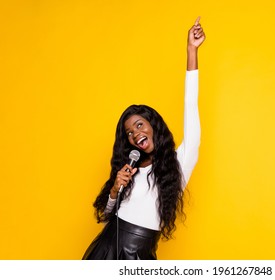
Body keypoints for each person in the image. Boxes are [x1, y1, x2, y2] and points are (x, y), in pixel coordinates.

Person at [82, 17, 205, 260]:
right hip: (105, 249)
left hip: (139, 254)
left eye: (139, 125)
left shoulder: (180, 162)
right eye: (129, 132)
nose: (136, 133)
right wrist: (116, 188)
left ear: (153, 125)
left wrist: (191, 50)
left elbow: (190, 105)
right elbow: (108, 214)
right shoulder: (131, 166)